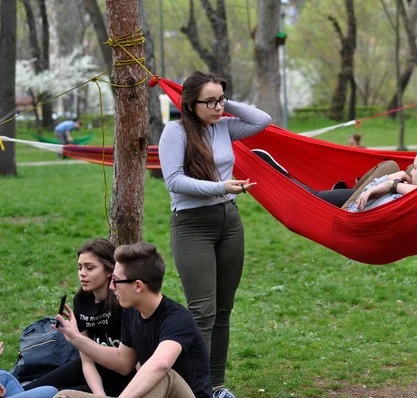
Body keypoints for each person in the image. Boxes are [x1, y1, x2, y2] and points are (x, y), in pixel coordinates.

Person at [158, 71, 272, 398]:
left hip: (229, 221)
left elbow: (262, 119)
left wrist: (221, 99)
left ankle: (216, 385)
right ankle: (197, 388)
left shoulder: (223, 126)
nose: (218, 107)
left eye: (221, 99)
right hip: (192, 224)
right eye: (209, 101)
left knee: (223, 309)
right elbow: (174, 181)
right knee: (202, 312)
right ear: (190, 104)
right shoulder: (175, 131)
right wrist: (220, 186)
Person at [54, 242, 212, 398]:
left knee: (163, 375)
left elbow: (161, 364)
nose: (111, 287)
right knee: (65, 396)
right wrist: (76, 338)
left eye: (116, 280)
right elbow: (123, 363)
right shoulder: (131, 313)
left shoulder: (177, 318)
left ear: (138, 286)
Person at [253, 117, 417, 208]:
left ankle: (275, 172)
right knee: (317, 197)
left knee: (313, 200)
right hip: (374, 196)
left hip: (365, 206)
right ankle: (345, 189)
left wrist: (392, 185)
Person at [24, 239, 134, 395]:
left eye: (90, 268)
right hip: (93, 369)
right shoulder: (82, 300)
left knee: (56, 394)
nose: (82, 273)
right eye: (80, 267)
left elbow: (130, 364)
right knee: (28, 390)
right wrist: (99, 394)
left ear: (109, 270)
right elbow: (87, 360)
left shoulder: (122, 303)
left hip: (122, 379)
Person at [348, 140, 417, 212]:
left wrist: (389, 183)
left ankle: (353, 188)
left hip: (346, 215)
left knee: (389, 166)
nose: (411, 172)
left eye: (415, 168)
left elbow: (353, 210)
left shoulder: (397, 199)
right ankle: (350, 189)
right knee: (397, 169)